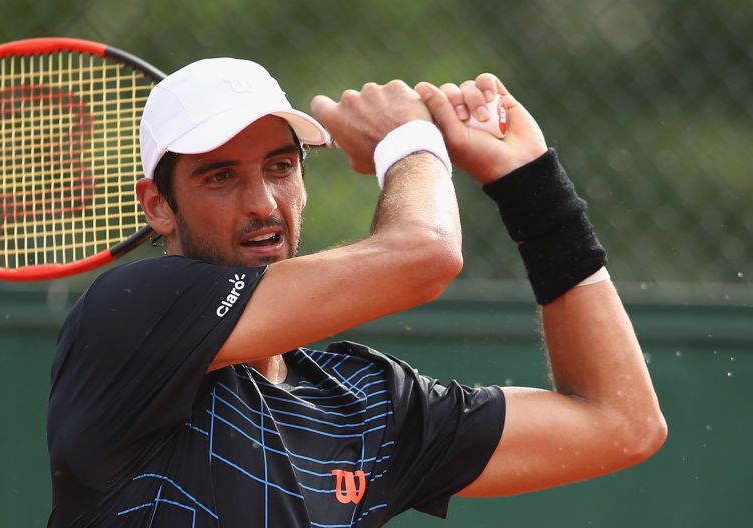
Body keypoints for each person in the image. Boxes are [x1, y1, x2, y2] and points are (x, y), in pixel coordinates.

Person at [46, 57, 667, 527]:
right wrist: (410, 142)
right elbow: (426, 255)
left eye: (280, 168)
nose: (263, 203)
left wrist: (532, 187)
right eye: (220, 177)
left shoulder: (366, 403)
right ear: (159, 206)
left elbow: (621, 424)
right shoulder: (128, 313)